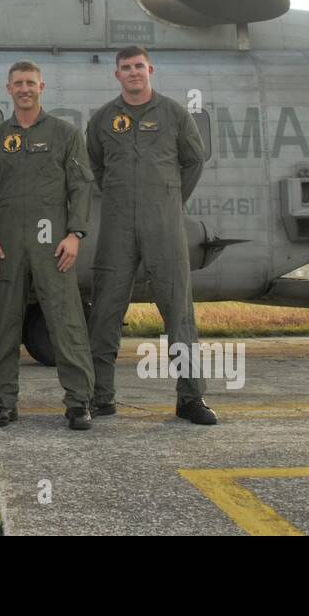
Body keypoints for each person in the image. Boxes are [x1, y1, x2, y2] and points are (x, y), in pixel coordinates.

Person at [86, 46, 216, 425]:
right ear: (117, 75)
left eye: (139, 67)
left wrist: (170, 200)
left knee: (179, 311)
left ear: (150, 70)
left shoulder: (174, 113)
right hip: (117, 225)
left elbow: (194, 159)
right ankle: (101, 396)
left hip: (165, 225)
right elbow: (96, 164)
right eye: (126, 68)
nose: (133, 73)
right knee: (106, 310)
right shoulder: (103, 120)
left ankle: (190, 398)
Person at [0, 61, 96, 431]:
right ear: (8, 89)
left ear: (41, 86)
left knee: (66, 321)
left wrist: (75, 235)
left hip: (53, 246)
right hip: (7, 245)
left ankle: (78, 402)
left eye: (30, 82)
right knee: (3, 323)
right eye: (18, 83)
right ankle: (2, 401)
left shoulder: (65, 134)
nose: (24, 88)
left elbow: (80, 186)